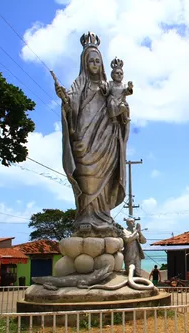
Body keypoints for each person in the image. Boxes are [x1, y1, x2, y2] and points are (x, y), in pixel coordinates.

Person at [54, 32, 130, 237]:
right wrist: (64, 100)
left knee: (105, 178)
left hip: (106, 141)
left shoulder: (108, 86)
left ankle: (103, 216)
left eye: (98, 60)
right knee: (86, 177)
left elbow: (120, 107)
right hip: (84, 141)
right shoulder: (79, 84)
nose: (95, 64)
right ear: (85, 63)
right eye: (91, 61)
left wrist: (123, 110)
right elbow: (70, 106)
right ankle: (86, 217)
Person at [107, 57, 133, 125]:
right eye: (117, 73)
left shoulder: (123, 85)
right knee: (112, 104)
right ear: (112, 74)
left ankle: (125, 117)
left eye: (121, 74)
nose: (119, 75)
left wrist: (129, 88)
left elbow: (126, 92)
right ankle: (114, 118)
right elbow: (107, 91)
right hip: (113, 100)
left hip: (121, 101)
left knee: (124, 106)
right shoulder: (110, 83)